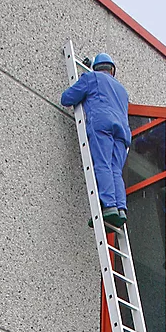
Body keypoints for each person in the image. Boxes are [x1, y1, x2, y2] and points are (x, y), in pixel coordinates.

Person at [61, 53, 131, 229]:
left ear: (96, 68)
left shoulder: (92, 78)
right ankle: (120, 208)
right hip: (123, 133)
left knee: (102, 164)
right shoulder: (122, 90)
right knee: (115, 169)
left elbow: (67, 99)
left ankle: (108, 206)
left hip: (102, 124)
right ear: (112, 70)